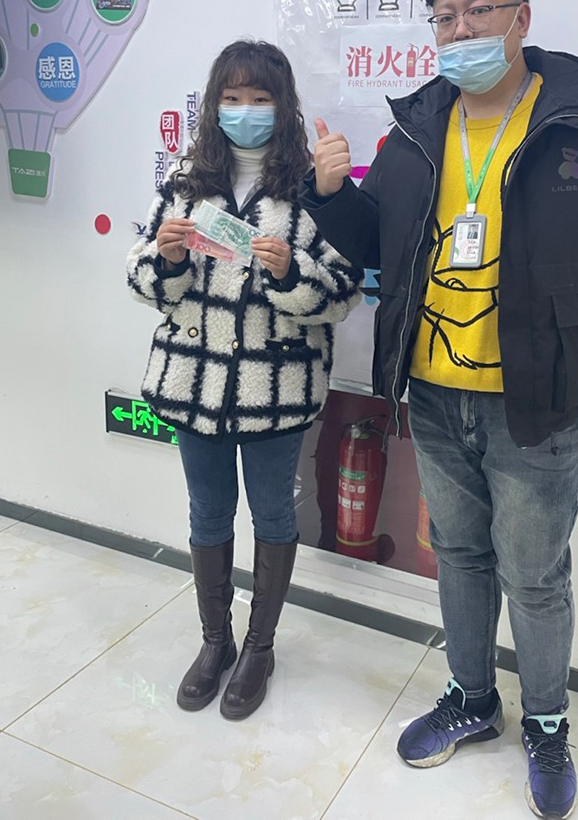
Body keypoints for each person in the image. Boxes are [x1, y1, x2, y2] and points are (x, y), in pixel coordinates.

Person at [299, 0, 578, 819]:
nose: (461, 30)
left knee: (535, 575)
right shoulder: (417, 129)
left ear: (520, 17)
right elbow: (379, 242)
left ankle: (545, 722)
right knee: (460, 555)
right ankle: (473, 697)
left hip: (538, 402)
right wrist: (331, 195)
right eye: (445, 18)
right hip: (433, 394)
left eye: (479, 11)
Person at [127, 39, 361, 721]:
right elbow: (141, 275)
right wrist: (167, 259)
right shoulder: (185, 179)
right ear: (214, 104)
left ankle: (260, 647)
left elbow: (345, 290)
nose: (245, 110)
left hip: (275, 385)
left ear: (283, 105)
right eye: (232, 98)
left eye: (260, 98)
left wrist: (290, 272)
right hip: (193, 381)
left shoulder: (312, 187)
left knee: (274, 513)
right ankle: (215, 642)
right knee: (207, 512)